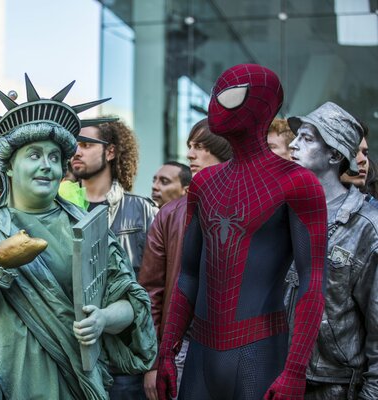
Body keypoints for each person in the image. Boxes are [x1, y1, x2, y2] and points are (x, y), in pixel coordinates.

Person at [0, 75, 156, 400]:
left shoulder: (89, 228)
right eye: (34, 155)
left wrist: (103, 318)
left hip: (60, 383)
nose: (47, 165)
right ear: (8, 166)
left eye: (53, 157)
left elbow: (131, 303)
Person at [156, 64, 327, 400]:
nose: (218, 104)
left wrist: (295, 371)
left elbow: (314, 279)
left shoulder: (297, 183)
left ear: (262, 105)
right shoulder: (204, 184)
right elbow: (187, 275)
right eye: (218, 92)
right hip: (202, 354)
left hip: (259, 354)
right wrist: (166, 352)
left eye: (231, 95)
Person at [288, 102, 378, 400]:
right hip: (275, 376)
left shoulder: (366, 227)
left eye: (307, 138)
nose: (292, 144)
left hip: (333, 386)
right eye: (296, 136)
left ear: (335, 155)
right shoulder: (281, 213)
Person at [139, 119, 232, 400]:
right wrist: (154, 362)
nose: (190, 154)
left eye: (201, 147)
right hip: (183, 345)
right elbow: (150, 291)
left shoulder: (256, 205)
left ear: (225, 150)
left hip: (238, 345)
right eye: (190, 146)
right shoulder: (170, 214)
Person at [70, 119, 157, 398]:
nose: (77, 152)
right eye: (73, 146)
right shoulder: (59, 209)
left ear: (110, 152)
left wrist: (154, 361)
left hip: (124, 361)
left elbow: (157, 287)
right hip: (70, 357)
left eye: (86, 145)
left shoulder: (142, 210)